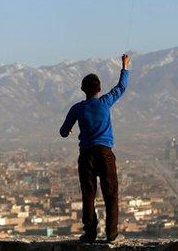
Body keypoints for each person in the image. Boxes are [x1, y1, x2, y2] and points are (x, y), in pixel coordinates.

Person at [59, 53, 130, 243]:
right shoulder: (105, 102)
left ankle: (90, 234)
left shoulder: (77, 109)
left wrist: (70, 130)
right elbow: (121, 87)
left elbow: (63, 131)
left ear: (83, 89)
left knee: (89, 195)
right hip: (105, 154)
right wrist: (124, 68)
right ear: (99, 89)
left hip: (86, 156)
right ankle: (111, 234)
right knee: (111, 194)